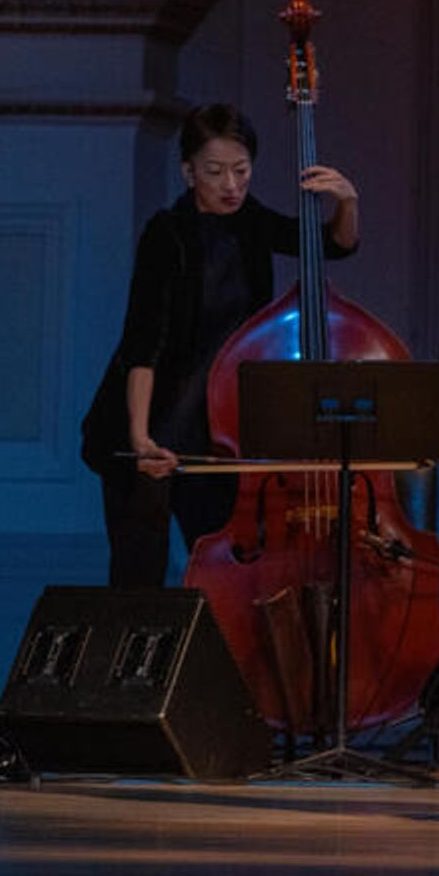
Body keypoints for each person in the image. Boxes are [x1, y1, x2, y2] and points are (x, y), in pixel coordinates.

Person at [80, 103, 360, 588]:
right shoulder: (167, 233)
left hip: (214, 430)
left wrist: (347, 201)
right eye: (214, 172)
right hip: (150, 416)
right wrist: (140, 438)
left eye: (241, 170)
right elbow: (142, 343)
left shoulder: (250, 221)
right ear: (189, 173)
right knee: (138, 576)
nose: (231, 185)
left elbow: (330, 245)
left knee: (222, 572)